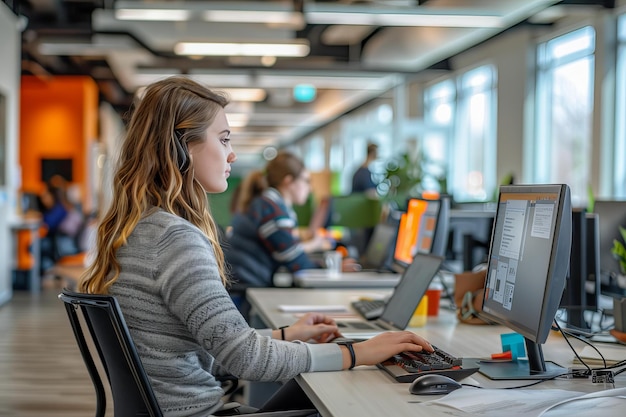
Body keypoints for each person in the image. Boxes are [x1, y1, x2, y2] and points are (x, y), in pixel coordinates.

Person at [78, 76, 433, 417]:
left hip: (181, 407)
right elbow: (243, 358)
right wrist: (357, 352)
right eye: (224, 139)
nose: (232, 155)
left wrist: (286, 334)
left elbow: (210, 344)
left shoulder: (140, 230)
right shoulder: (174, 239)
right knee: (359, 394)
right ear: (183, 147)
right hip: (200, 412)